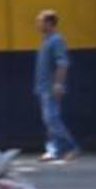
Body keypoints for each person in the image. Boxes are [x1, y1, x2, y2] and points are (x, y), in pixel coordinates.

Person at [34, 9, 79, 161]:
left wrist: (58, 84)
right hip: (43, 86)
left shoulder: (56, 40)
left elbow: (63, 63)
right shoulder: (46, 40)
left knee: (52, 118)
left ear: (49, 23)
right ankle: (54, 150)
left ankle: (71, 147)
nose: (37, 25)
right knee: (48, 120)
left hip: (51, 86)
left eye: (40, 21)